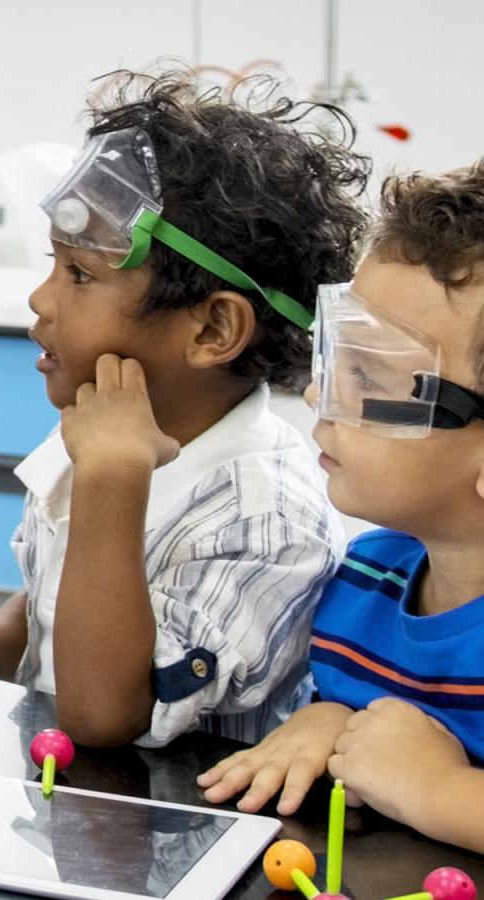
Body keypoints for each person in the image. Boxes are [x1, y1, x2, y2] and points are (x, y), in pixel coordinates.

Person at [0, 71, 369, 747]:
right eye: (54, 264)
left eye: (80, 275)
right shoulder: (107, 425)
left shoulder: (264, 519)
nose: (41, 301)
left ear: (214, 330)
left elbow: (105, 716)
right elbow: (54, 592)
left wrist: (110, 480)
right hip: (75, 826)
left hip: (179, 839)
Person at [199, 161, 484, 854]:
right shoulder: (368, 581)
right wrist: (332, 725)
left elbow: (413, 768)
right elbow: (376, 731)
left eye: (371, 374)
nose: (317, 398)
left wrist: (442, 791)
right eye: (338, 359)